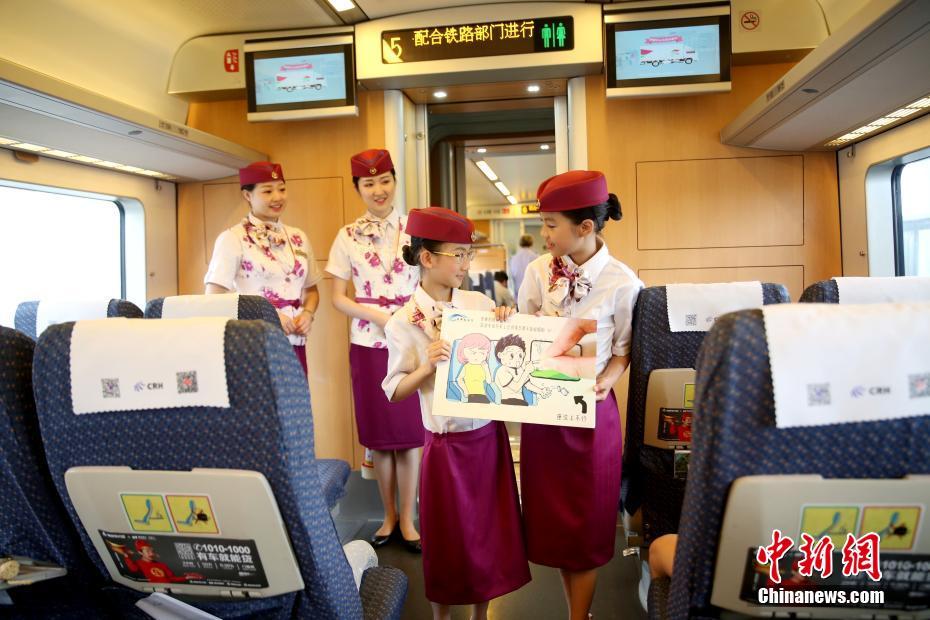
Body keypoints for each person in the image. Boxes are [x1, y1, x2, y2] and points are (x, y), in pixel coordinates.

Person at [382, 207, 530, 620]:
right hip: (444, 445)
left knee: (488, 533)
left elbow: (505, 364)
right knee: (446, 538)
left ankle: (482, 615)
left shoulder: (478, 302)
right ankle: (441, 616)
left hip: (487, 437)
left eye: (469, 254)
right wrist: (426, 366)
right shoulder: (401, 322)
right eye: (458, 255)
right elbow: (393, 390)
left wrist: (505, 320)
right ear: (427, 258)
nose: (466, 264)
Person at [518, 170, 643, 620]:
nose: (543, 233)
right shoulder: (536, 272)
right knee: (554, 524)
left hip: (591, 415)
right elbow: (523, 329)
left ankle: (579, 617)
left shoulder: (623, 282)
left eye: (551, 224)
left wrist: (610, 377)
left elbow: (625, 350)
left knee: (585, 525)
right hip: (543, 416)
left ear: (585, 227)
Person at [326, 148, 423, 552]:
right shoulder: (346, 235)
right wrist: (380, 318)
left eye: (384, 180)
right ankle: (388, 518)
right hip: (368, 343)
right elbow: (337, 298)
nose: (378, 190)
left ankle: (410, 518)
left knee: (411, 434)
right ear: (358, 189)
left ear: (395, 181)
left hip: (414, 340)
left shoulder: (417, 229)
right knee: (381, 437)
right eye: (369, 183)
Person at [204, 162, 321, 374]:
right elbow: (213, 297)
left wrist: (308, 314)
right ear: (248, 196)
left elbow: (311, 290)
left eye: (282, 189)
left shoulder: (298, 237)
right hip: (254, 342)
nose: (277, 197)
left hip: (295, 342)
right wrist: (269, 314)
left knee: (296, 406)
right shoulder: (232, 238)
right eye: (267, 191)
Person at [493, 334, 551, 406]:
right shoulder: (502, 371)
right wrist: (526, 372)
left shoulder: (519, 369)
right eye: (512, 355)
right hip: (506, 402)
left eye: (520, 356)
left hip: (520, 401)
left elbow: (528, 385)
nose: (517, 360)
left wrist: (541, 391)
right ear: (500, 355)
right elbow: (515, 388)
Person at [115, 540, 203, 584]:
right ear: (140, 552)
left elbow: (170, 579)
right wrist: (127, 556)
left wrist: (186, 578)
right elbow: (133, 569)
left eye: (151, 551)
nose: (151, 553)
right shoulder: (138, 563)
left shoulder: (162, 565)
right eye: (147, 551)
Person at [454, 333, 493, 403]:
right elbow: (459, 379)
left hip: (483, 395)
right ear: (463, 352)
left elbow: (489, 381)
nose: (477, 356)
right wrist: (465, 390)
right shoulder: (466, 367)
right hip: (471, 395)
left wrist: (486, 368)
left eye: (482, 353)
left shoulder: (483, 366)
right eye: (473, 352)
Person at [509, 234, 538, 299]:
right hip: (532, 293)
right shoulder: (535, 257)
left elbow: (512, 277)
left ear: (520, 243)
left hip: (518, 293)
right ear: (531, 243)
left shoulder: (513, 258)